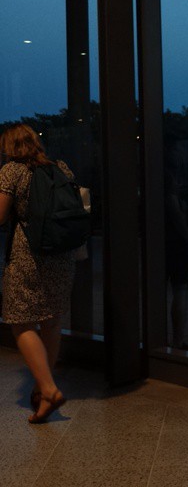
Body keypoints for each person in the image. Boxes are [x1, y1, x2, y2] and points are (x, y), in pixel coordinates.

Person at [0, 123, 73, 423]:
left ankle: (48, 389)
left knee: (20, 322)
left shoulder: (12, 172)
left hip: (28, 256)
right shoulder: (62, 169)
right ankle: (44, 395)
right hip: (62, 256)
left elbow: (0, 216)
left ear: (10, 147)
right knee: (51, 321)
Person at [164, 139, 188, 349]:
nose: (182, 154)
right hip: (175, 241)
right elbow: (173, 209)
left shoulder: (156, 173)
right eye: (179, 148)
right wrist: (187, 237)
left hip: (161, 239)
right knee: (180, 289)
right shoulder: (168, 176)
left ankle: (160, 338)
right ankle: (177, 340)